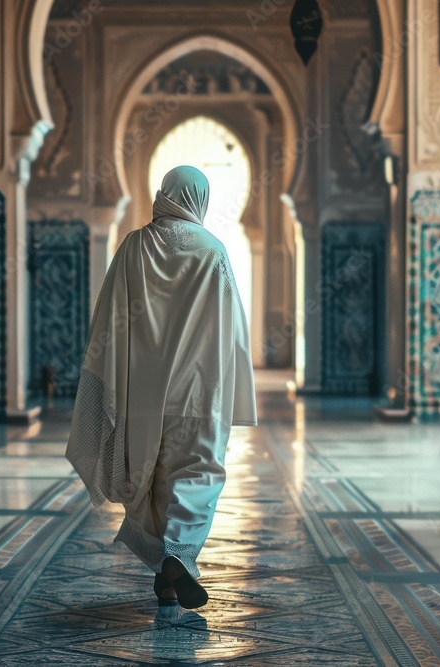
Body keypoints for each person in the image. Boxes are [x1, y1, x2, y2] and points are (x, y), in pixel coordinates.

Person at [65, 165, 257, 609]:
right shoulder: (213, 252)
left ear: (163, 193)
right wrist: (237, 389)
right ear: (199, 200)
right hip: (199, 392)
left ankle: (166, 575)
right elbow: (231, 330)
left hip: (140, 396)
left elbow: (109, 321)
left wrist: (111, 380)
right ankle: (178, 557)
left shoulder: (134, 245)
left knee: (149, 474)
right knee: (197, 474)